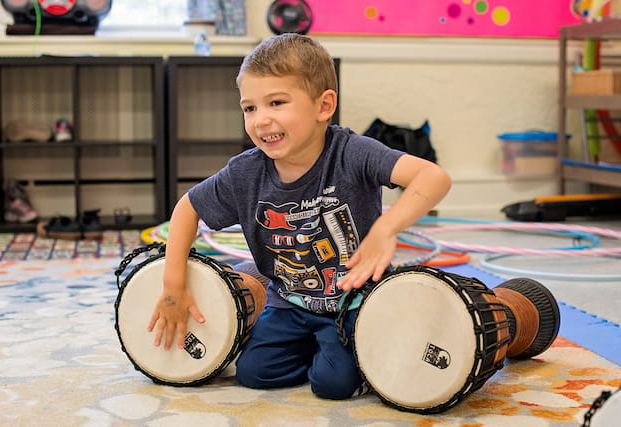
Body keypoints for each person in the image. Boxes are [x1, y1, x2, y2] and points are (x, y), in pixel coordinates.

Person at [148, 33, 451, 400]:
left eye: (276, 102)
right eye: (250, 108)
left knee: (333, 385)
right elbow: (188, 208)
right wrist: (173, 284)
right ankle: (317, 347)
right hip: (289, 299)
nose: (261, 120)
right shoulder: (245, 173)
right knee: (254, 374)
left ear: (324, 106)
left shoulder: (353, 153)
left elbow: (433, 177)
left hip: (353, 301)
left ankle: (346, 349)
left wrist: (386, 230)